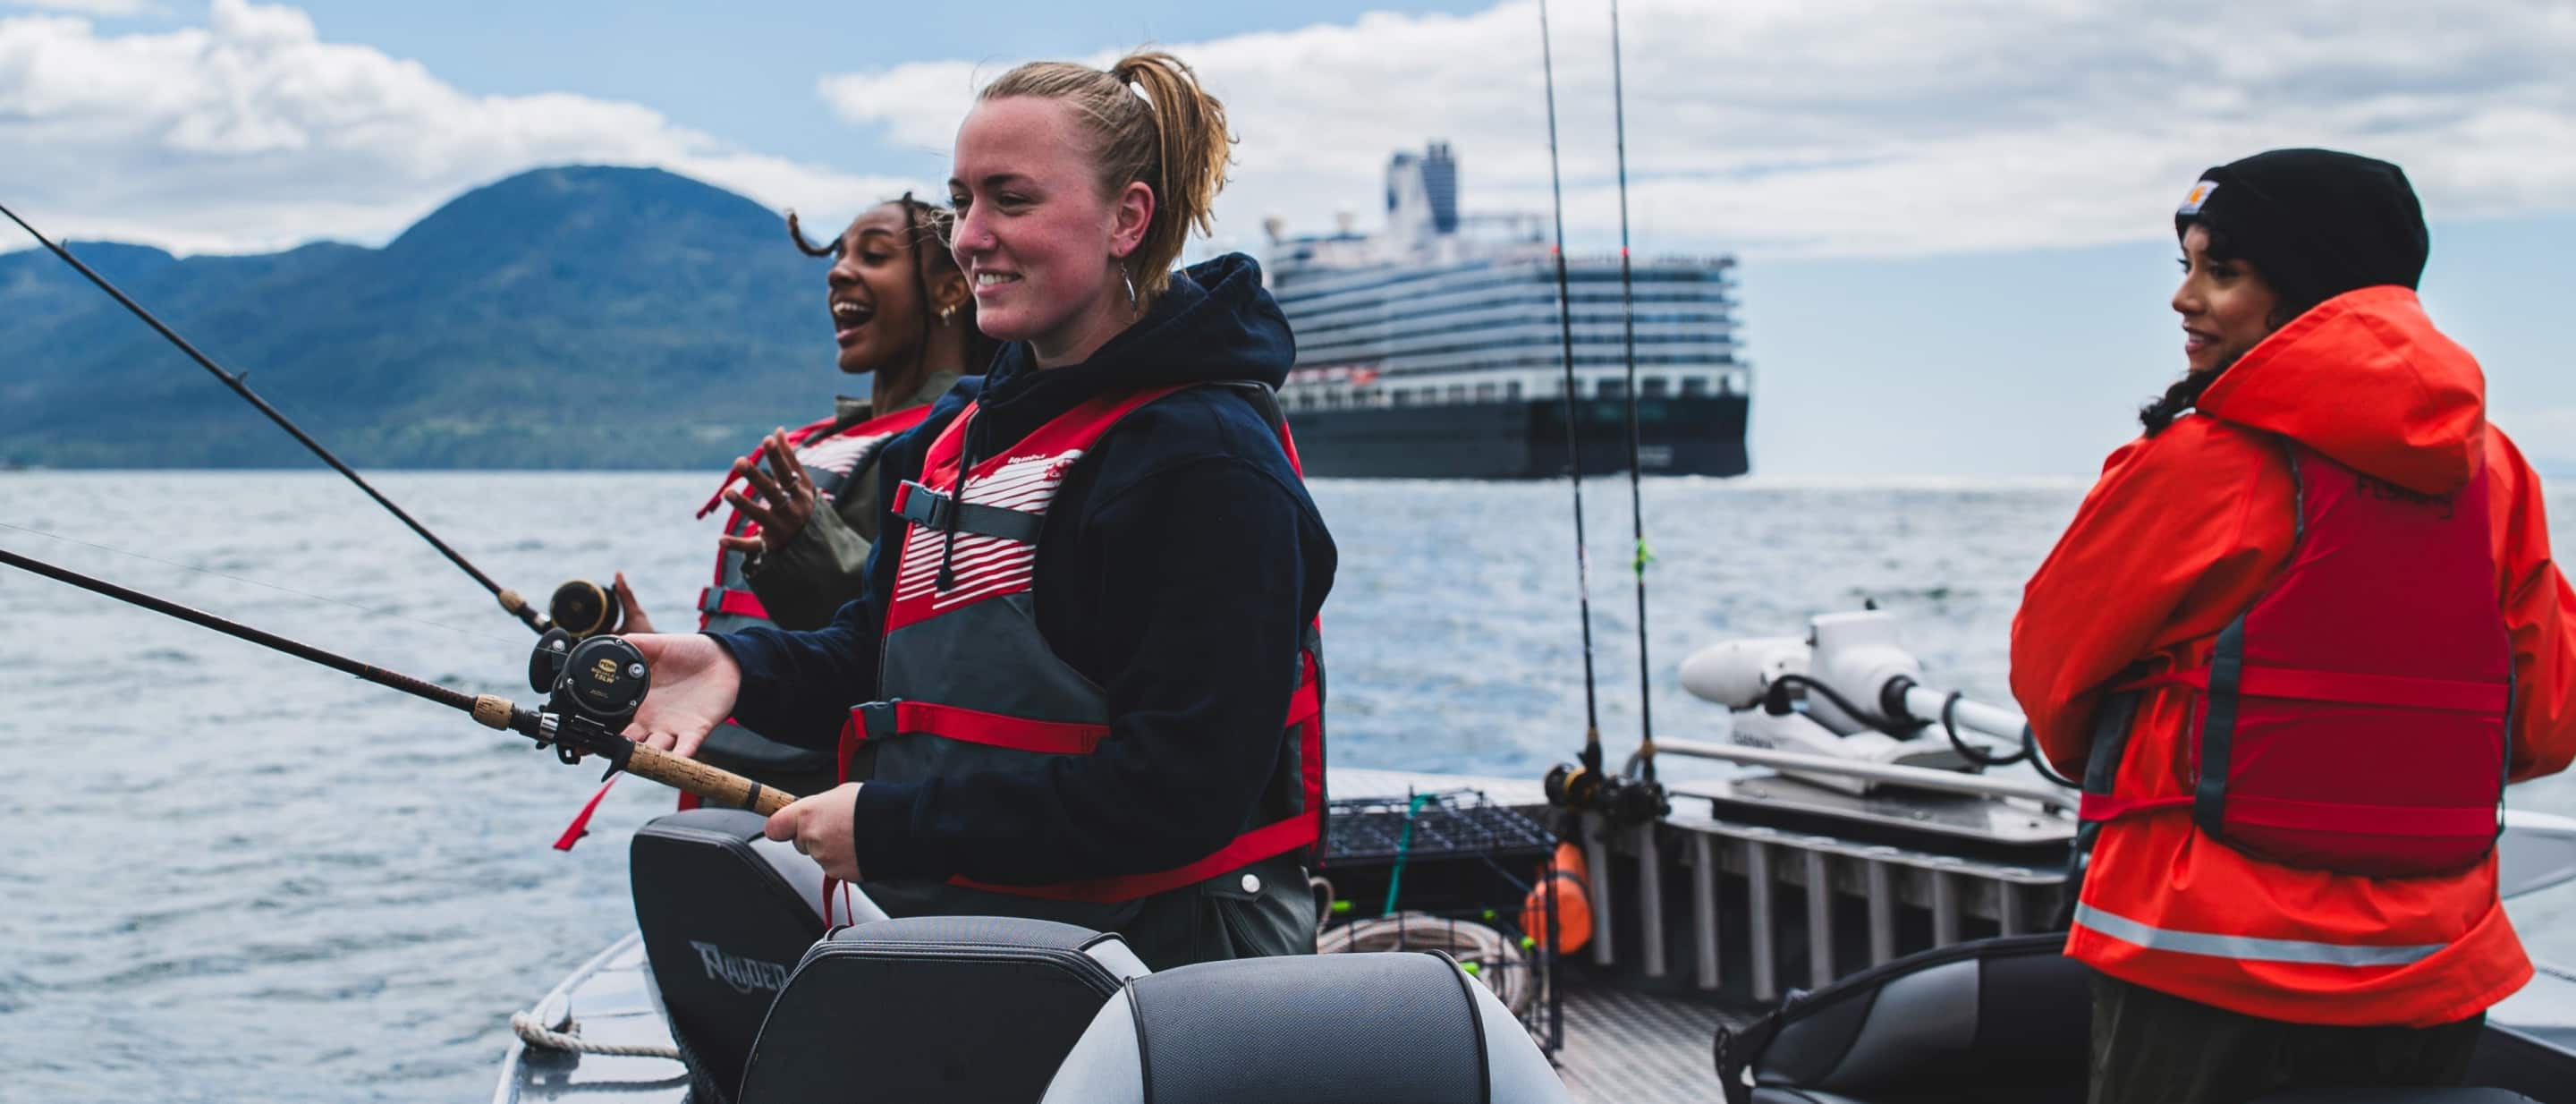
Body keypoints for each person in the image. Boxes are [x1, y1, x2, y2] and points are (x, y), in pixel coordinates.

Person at [616, 50, 1336, 971]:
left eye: (1012, 199)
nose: (971, 237)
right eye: (962, 201)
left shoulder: (1207, 464)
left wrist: (892, 825)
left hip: (1163, 969)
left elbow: (1180, 792)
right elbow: (871, 656)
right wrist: (730, 667)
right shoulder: (958, 437)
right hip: (973, 948)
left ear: (1128, 218)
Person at [2011, 149, 2576, 1103]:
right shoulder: (2499, 472)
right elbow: (2548, 723)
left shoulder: (2199, 462)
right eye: (2185, 266)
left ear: (2309, 285)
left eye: (2221, 271)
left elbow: (2053, 684)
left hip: (2202, 963)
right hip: (2432, 964)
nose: (2184, 298)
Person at [611, 197, 996, 798]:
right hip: (731, 783)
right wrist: (657, 657)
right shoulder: (830, 441)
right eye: (839, 254)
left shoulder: (961, 448)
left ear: (951, 290)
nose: (839, 271)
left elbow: (926, 649)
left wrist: (806, 545)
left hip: (828, 808)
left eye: (872, 255)